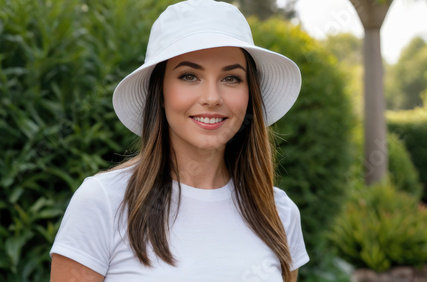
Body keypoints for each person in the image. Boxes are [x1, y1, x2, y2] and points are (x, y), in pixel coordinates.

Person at [49, 0, 309, 281]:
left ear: (250, 94)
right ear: (160, 92)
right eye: (189, 76)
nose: (212, 97)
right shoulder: (103, 203)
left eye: (231, 78)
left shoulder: (279, 212)